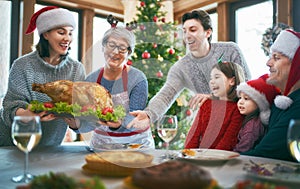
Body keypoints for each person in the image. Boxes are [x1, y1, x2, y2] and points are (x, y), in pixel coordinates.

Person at [127, 9, 251, 130]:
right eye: (184, 31)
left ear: (208, 32)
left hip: (243, 121)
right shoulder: (181, 67)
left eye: (193, 30)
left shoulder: (230, 50)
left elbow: (247, 88)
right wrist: (149, 114)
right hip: (216, 126)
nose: (187, 36)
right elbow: (166, 96)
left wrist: (214, 97)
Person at [0, 6, 85, 146]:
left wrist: (77, 123)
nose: (67, 38)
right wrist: (28, 115)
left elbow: (81, 114)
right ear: (45, 34)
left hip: (51, 147)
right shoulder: (22, 65)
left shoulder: (76, 69)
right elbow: (10, 107)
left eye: (70, 33)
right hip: (13, 144)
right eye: (61, 32)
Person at [75, 18, 155, 148]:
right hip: (102, 145)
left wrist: (117, 124)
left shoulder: (138, 78)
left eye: (122, 48)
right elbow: (88, 120)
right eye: (111, 45)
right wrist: (75, 124)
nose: (115, 52)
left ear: (129, 52)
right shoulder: (91, 80)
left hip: (135, 145)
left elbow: (133, 118)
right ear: (103, 47)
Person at [242, 29, 300, 161]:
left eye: (276, 57)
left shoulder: (297, 106)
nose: (268, 63)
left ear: (297, 65)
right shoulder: (279, 103)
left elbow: (264, 154)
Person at [184, 61, 245, 150]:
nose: (212, 82)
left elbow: (227, 142)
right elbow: (194, 134)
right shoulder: (207, 104)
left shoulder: (237, 109)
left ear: (232, 81)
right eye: (211, 78)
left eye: (217, 77)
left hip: (218, 159)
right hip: (198, 157)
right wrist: (189, 153)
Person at [234, 74, 280, 152]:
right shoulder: (248, 120)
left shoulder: (252, 126)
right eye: (240, 98)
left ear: (259, 103)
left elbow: (243, 149)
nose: (240, 102)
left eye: (246, 98)